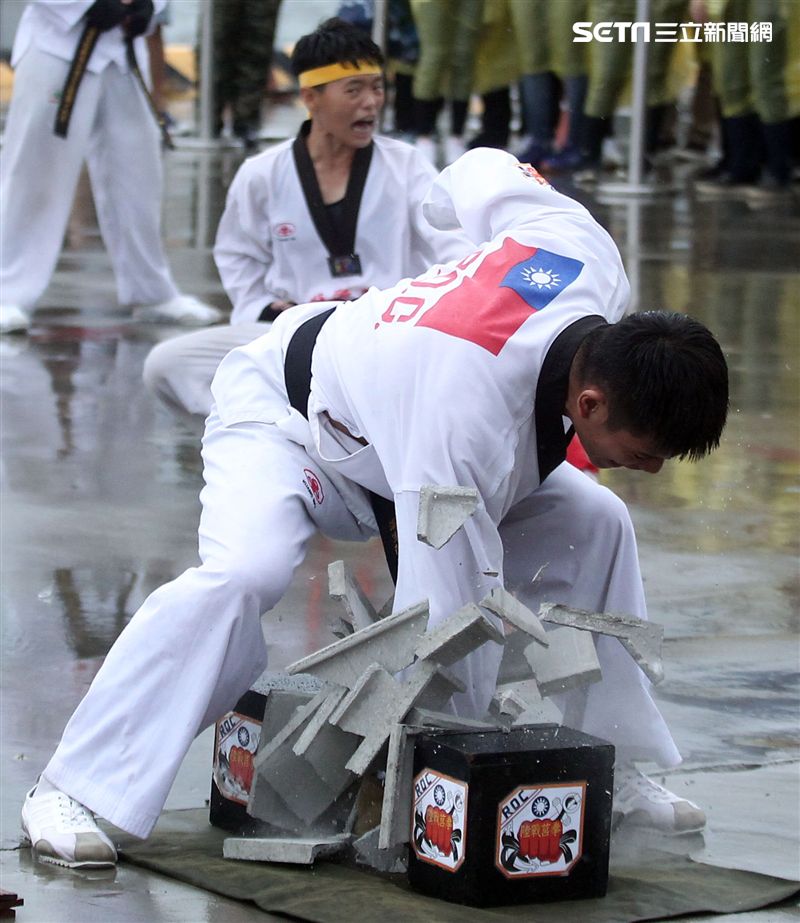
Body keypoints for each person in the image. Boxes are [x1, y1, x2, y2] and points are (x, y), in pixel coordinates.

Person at [20, 148, 728, 868]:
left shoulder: (582, 254)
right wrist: (452, 780)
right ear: (590, 402)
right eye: (645, 449)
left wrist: (437, 228)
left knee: (599, 525)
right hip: (293, 424)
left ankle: (621, 768)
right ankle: (77, 786)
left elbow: (486, 166)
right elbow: (447, 617)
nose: (651, 467)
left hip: (397, 423)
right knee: (246, 573)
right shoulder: (466, 412)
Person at [143, 18, 472, 419]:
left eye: (377, 87)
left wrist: (420, 307)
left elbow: (456, 251)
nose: (371, 103)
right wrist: (264, 308)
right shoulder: (262, 173)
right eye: (354, 90)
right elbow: (238, 256)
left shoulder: (408, 166)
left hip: (384, 334)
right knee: (167, 365)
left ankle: (312, 416)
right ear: (311, 97)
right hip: (295, 332)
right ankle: (272, 422)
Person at [0, 0, 222, 335]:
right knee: (36, 174)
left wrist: (150, 6)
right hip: (58, 42)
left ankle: (151, 291)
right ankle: (9, 292)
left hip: (124, 46)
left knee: (139, 173)